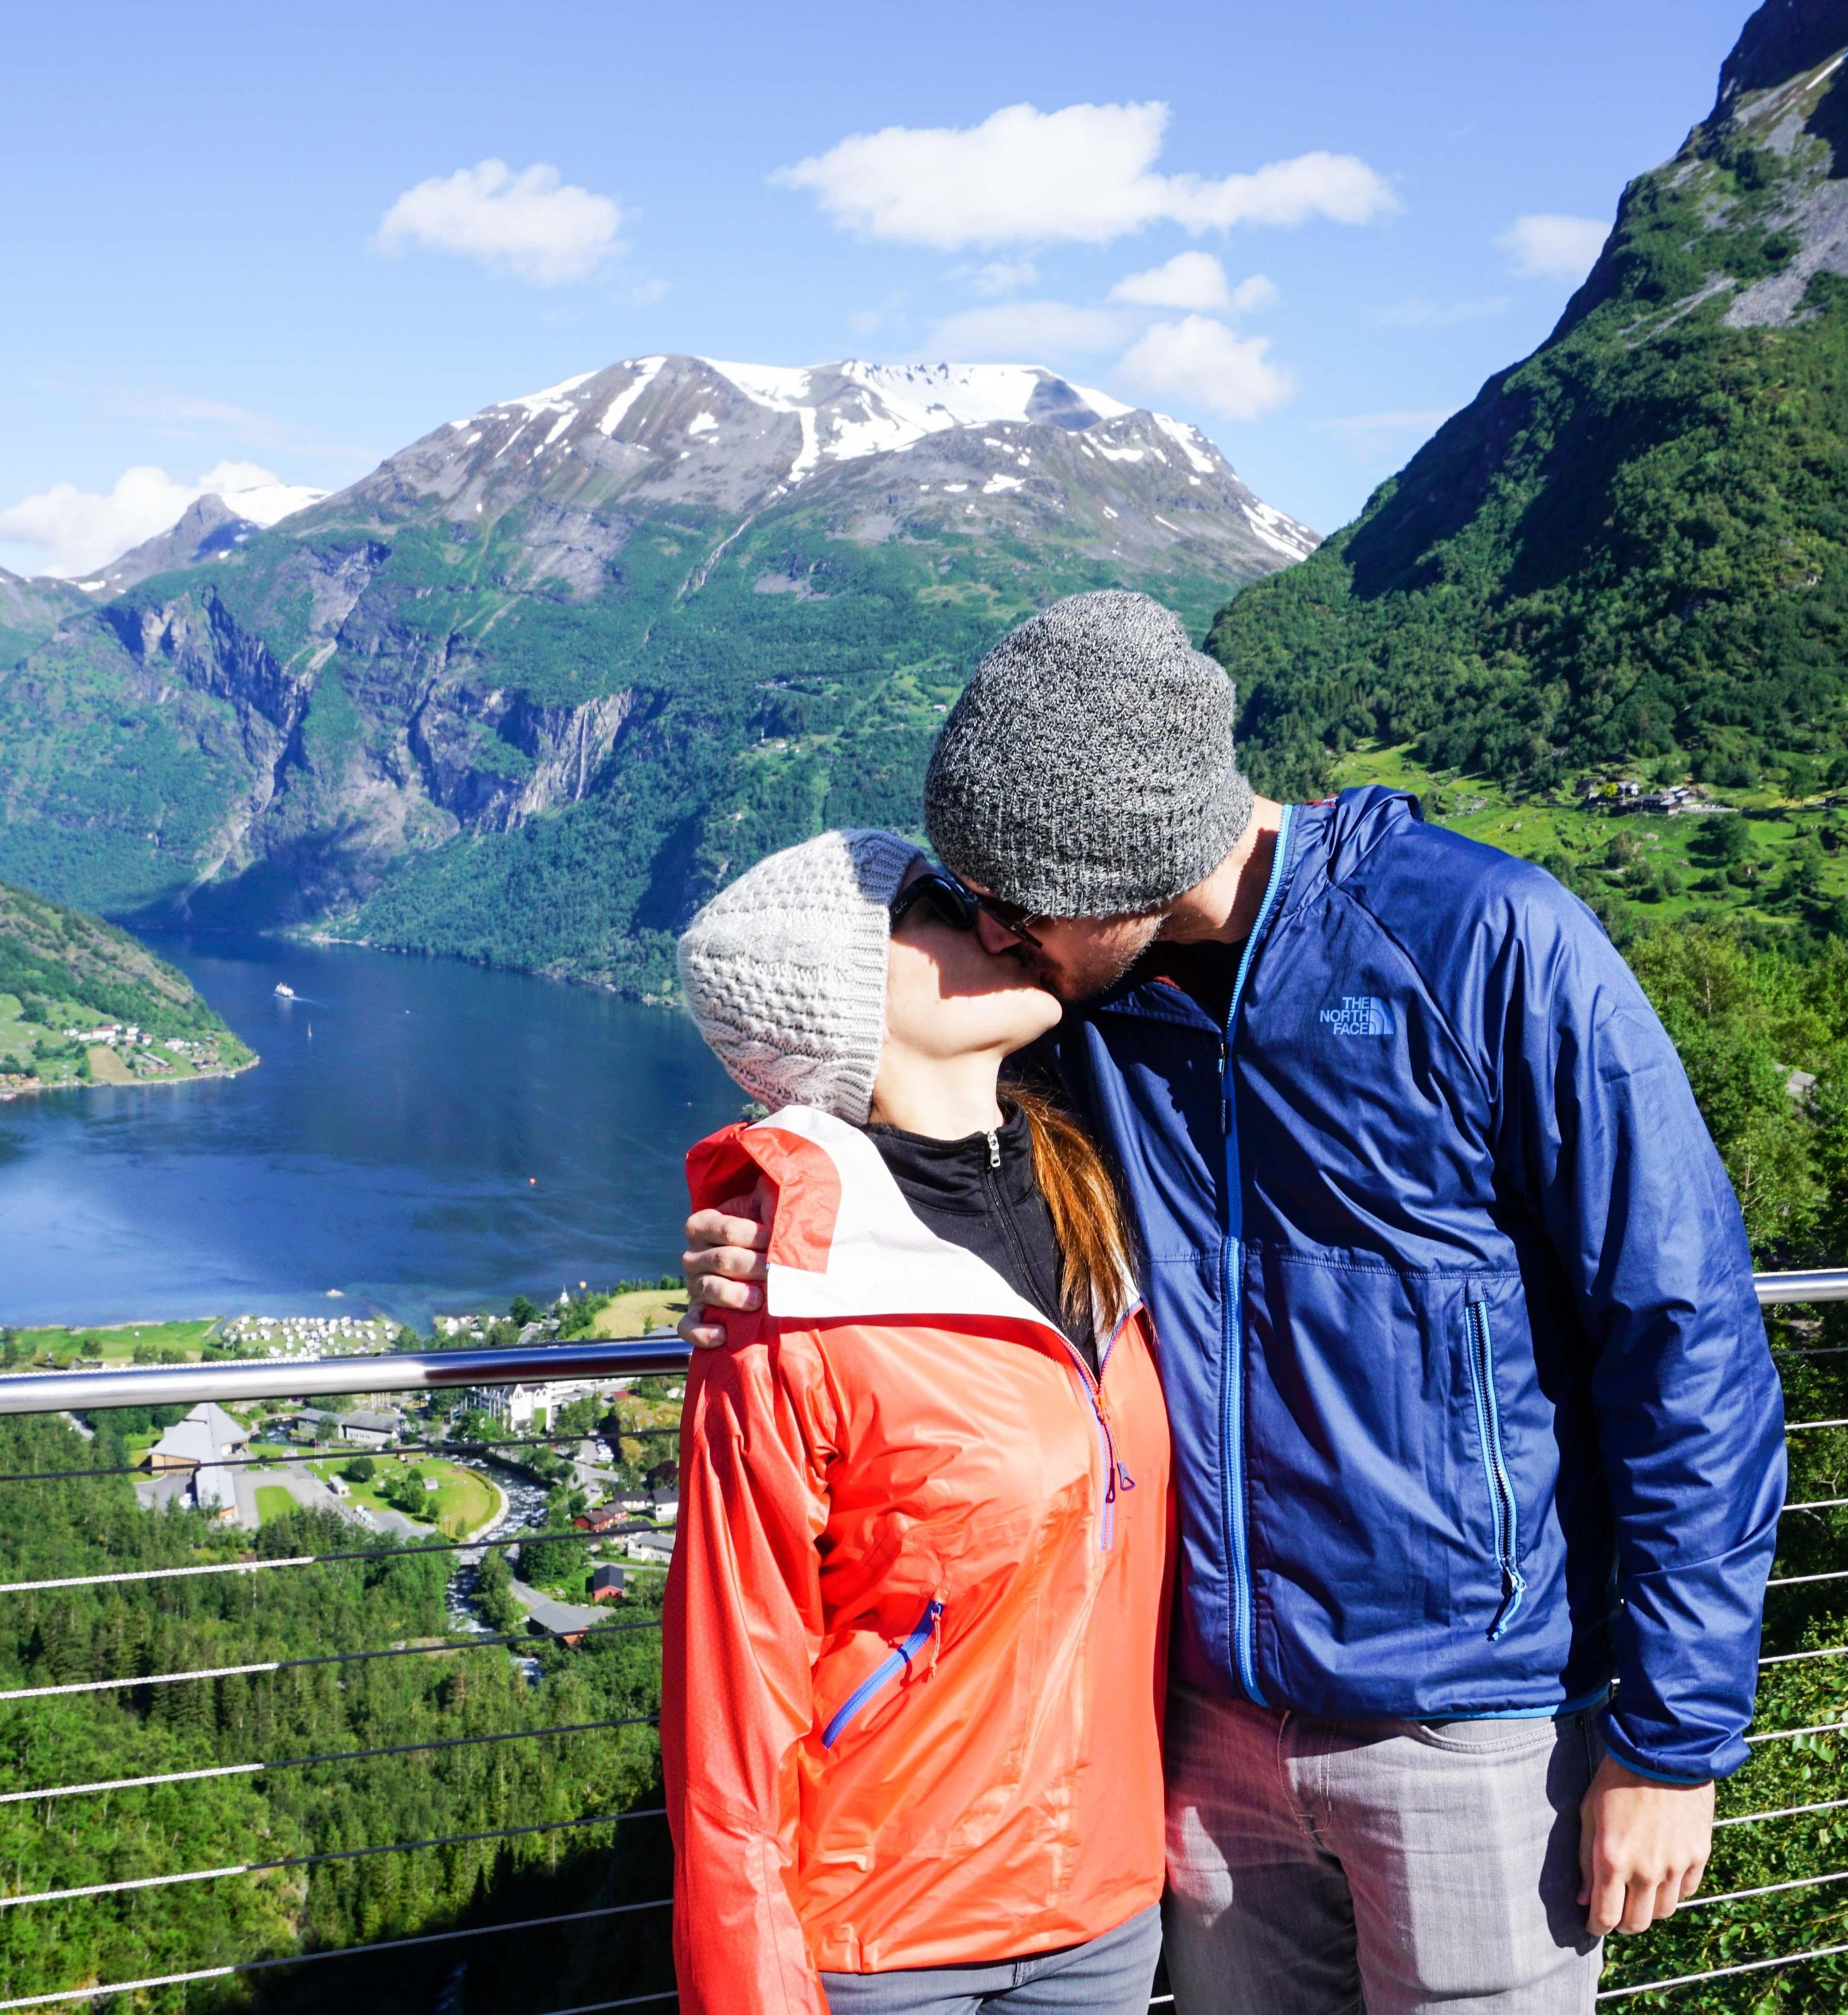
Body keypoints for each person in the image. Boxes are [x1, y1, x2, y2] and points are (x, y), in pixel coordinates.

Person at [681, 592, 1787, 2014]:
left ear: (1121, 874)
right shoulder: (1092, 1010)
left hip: (1470, 1731)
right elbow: (895, 1124)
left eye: (1013, 906)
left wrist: (1672, 1741)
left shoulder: (1488, 945)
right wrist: (751, 1225)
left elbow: (1684, 1334)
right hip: (1205, 1749)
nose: (994, 938)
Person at [665, 827, 1175, 2015]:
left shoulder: (1105, 1180)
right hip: (886, 1941)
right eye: (940, 903)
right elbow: (730, 1707)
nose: (999, 918)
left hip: (1104, 1907)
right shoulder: (786, 1300)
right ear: (846, 988)